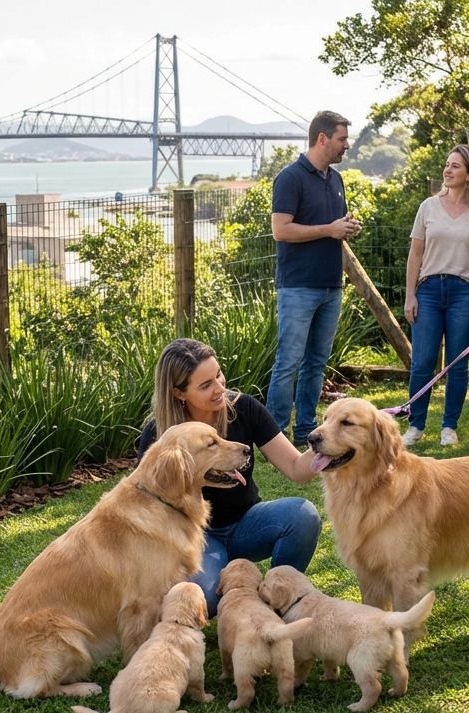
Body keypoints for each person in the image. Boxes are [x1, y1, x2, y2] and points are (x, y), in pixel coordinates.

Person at [136, 339, 321, 615]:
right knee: (204, 602)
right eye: (205, 384)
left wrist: (326, 441)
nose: (220, 388)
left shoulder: (243, 408)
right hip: (198, 539)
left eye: (218, 374)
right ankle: (230, 580)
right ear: (179, 393)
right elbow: (147, 506)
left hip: (248, 525)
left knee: (302, 517)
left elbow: (296, 468)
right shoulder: (160, 435)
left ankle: (278, 597)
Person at [268, 110, 361, 447]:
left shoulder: (334, 179)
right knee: (289, 362)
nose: (346, 145)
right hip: (297, 287)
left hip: (330, 286)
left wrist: (346, 228)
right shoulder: (290, 178)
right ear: (322, 139)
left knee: (316, 363)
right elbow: (281, 230)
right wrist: (330, 229)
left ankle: (305, 428)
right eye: (341, 139)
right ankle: (274, 434)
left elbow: (332, 227)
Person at [401, 144, 469, 447]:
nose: (448, 170)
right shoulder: (428, 206)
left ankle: (449, 427)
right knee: (422, 362)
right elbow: (415, 253)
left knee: (458, 363)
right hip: (428, 290)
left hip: (465, 292)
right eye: (447, 164)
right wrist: (410, 295)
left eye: (455, 166)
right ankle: (416, 425)